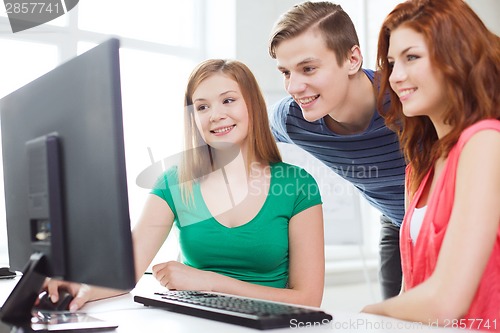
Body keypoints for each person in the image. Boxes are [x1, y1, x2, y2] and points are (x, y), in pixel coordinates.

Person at [45, 59, 325, 310]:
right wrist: (79, 287)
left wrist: (210, 282)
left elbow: (307, 299)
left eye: (228, 100)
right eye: (202, 106)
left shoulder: (297, 185)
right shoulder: (174, 183)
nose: (215, 115)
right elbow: (125, 272)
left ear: (252, 104)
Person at [362, 0, 500, 329]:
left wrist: (365, 316)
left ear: (458, 55)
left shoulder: (485, 142)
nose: (396, 77)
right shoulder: (418, 169)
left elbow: (446, 302)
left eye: (412, 57)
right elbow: (415, 292)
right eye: (392, 63)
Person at [268, 1, 406, 299]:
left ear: (352, 59)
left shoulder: (405, 98)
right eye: (286, 72)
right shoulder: (292, 120)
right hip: (397, 225)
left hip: (458, 223)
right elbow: (245, 137)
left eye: (308, 68)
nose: (293, 87)